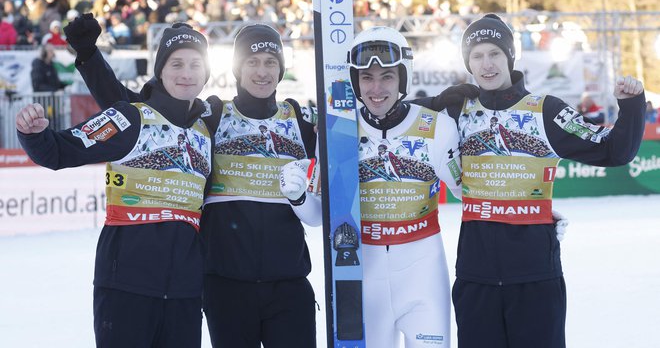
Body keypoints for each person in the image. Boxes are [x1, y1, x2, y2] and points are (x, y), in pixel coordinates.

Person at [68, 17, 321, 347]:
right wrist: (89, 56)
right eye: (252, 62)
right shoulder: (212, 115)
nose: (262, 72)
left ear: (281, 68)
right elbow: (136, 108)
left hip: (288, 284)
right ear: (237, 69)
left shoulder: (299, 121)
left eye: (271, 62)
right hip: (224, 284)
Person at [430, 13, 645, 348]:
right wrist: (435, 103)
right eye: (477, 56)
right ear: (468, 63)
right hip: (476, 278)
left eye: (495, 53)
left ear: (510, 56)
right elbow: (393, 118)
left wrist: (631, 105)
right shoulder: (458, 111)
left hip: (534, 277)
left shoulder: (545, 111)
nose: (487, 65)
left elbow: (613, 151)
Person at [17, 21, 215, 348]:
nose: (187, 73)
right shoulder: (131, 119)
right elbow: (57, 151)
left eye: (196, 64)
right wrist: (32, 132)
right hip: (126, 287)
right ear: (160, 71)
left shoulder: (206, 131)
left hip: (185, 295)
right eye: (176, 63)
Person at [281, 26, 464, 347]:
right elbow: (319, 217)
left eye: (387, 77)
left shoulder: (437, 128)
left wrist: (542, 216)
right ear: (355, 82)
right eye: (367, 78)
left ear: (403, 79)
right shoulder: (338, 129)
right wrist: (297, 197)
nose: (376, 88)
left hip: (422, 273)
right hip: (363, 274)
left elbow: (468, 192)